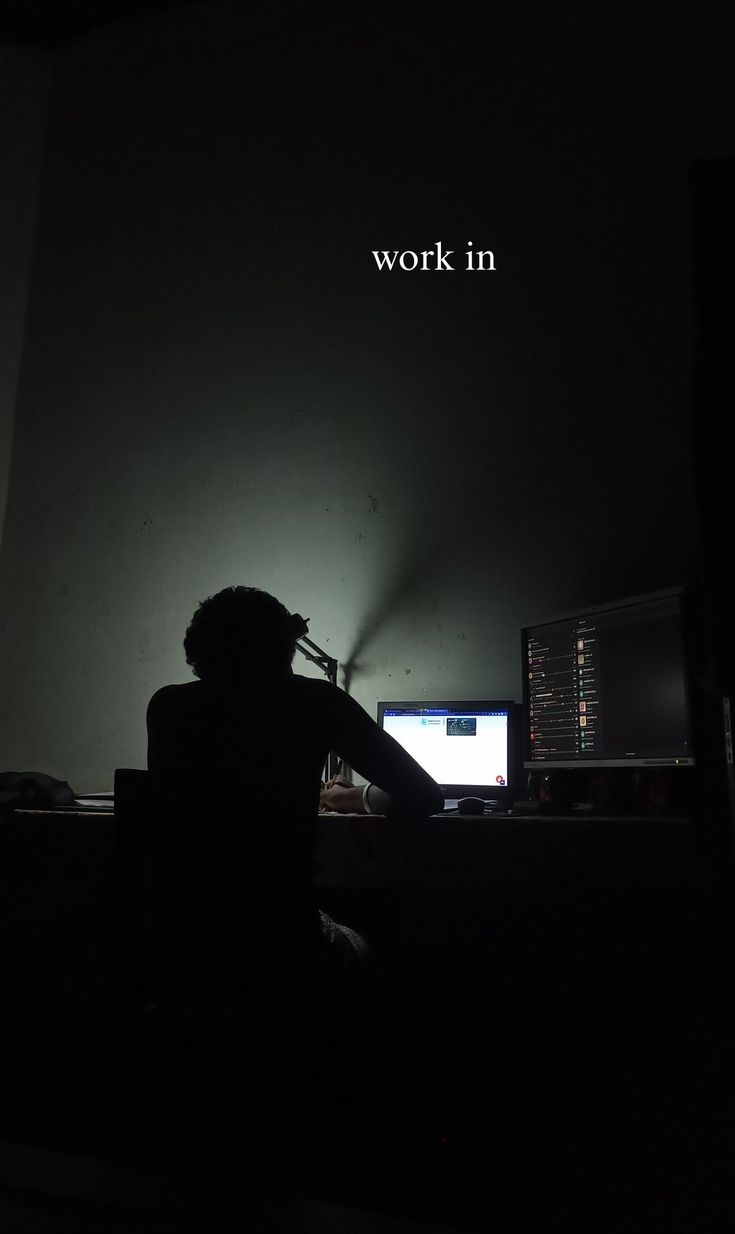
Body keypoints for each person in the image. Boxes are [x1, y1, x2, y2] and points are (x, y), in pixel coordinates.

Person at [145, 585, 443, 1008]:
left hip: (183, 947)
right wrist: (353, 798)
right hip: (283, 946)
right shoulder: (314, 701)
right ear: (285, 646)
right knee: (389, 937)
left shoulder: (166, 706)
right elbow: (424, 796)